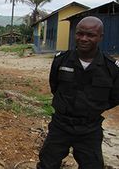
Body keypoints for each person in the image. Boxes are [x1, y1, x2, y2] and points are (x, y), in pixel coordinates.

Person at [37, 16, 119, 168]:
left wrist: (92, 107)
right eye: (80, 33)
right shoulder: (61, 61)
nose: (84, 38)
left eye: (90, 35)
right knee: (47, 164)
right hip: (60, 126)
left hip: (90, 129)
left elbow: (114, 98)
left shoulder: (111, 68)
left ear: (100, 37)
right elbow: (54, 86)